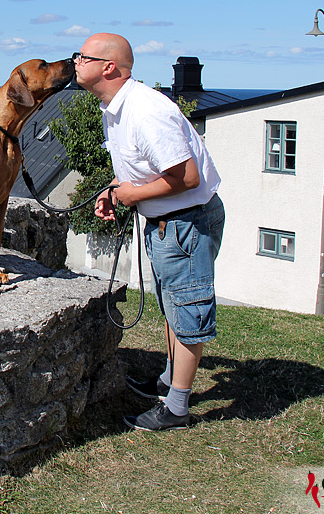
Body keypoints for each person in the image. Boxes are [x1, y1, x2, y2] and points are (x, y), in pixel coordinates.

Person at [73, 33, 225, 431]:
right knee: (173, 305)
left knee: (187, 310)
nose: (75, 62)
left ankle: (176, 408)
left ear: (108, 67)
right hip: (167, 222)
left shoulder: (144, 111)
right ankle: (168, 380)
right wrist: (115, 189)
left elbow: (187, 177)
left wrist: (131, 195)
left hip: (185, 222)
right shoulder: (116, 107)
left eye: (82, 56)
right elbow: (144, 167)